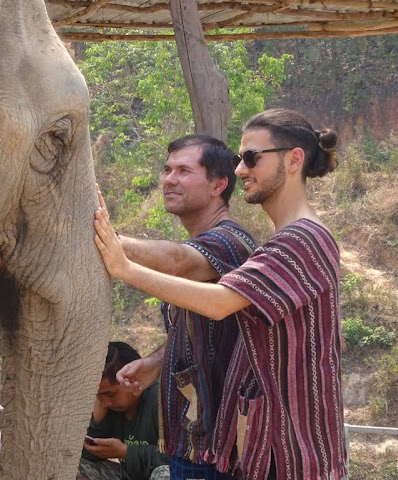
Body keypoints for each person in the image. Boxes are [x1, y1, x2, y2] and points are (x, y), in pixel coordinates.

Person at [93, 109, 348, 480]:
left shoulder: (302, 240)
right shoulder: (285, 241)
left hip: (294, 454)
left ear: (294, 159)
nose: (241, 170)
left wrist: (123, 266)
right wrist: (156, 364)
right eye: (237, 160)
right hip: (265, 449)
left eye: (250, 159)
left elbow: (217, 302)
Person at [100, 135, 257, 480]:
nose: (169, 179)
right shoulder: (205, 242)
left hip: (223, 447)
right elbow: (192, 329)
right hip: (193, 441)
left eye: (184, 170)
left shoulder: (231, 242)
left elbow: (178, 262)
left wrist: (105, 238)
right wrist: (155, 363)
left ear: (219, 184)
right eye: (167, 169)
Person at [78, 341, 169, 480]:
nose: (106, 403)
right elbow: (88, 456)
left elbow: (176, 458)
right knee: (74, 467)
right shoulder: (108, 408)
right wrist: (98, 420)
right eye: (98, 396)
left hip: (161, 474)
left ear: (133, 381)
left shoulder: (160, 399)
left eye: (110, 394)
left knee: (165, 474)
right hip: (126, 475)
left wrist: (126, 452)